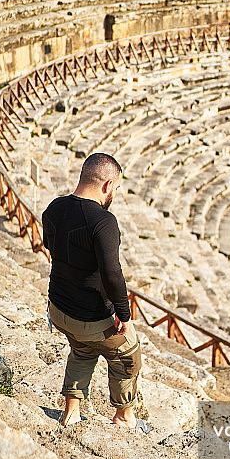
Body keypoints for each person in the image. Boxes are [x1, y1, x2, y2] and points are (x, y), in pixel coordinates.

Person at [42, 152, 149, 431]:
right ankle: (124, 416)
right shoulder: (103, 222)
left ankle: (71, 412)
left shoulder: (54, 208)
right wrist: (124, 315)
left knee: (82, 350)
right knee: (127, 356)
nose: (114, 194)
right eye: (116, 188)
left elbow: (50, 247)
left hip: (59, 309)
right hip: (90, 316)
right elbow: (112, 273)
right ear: (107, 186)